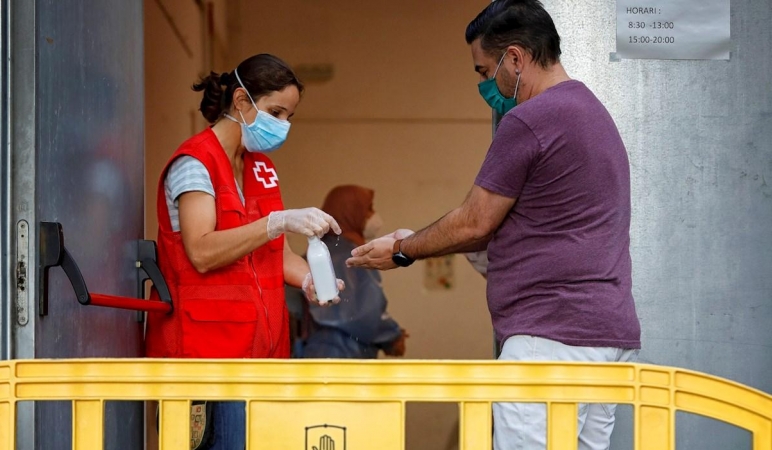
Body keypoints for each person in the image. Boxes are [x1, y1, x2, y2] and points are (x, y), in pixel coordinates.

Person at [346, 1, 641, 449]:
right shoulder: (592, 113)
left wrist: (404, 249)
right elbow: (549, 228)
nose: (484, 84)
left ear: (516, 59)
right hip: (604, 336)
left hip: (550, 340)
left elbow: (475, 221)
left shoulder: (530, 118)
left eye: (485, 71)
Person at [145, 53, 343, 450]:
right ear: (240, 101)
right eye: (276, 112)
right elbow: (200, 251)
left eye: (289, 116)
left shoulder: (260, 168)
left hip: (260, 358)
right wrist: (275, 222)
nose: (283, 125)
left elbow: (278, 254)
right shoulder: (195, 164)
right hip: (205, 358)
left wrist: (307, 277)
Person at [300, 185, 407, 359]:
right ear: (351, 211)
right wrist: (392, 337)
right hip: (347, 356)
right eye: (369, 209)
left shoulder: (316, 252)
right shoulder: (354, 255)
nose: (373, 215)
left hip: (314, 352)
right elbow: (367, 312)